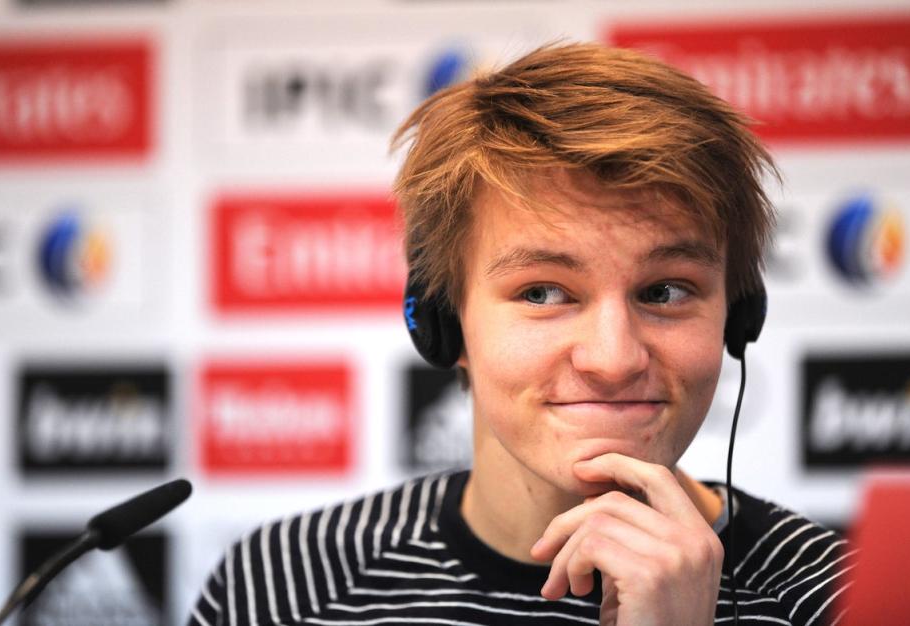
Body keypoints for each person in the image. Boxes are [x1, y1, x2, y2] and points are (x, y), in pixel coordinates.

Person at [188, 43, 853, 626]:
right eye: (542, 293)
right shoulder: (280, 589)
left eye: (664, 292)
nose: (612, 358)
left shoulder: (838, 601)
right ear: (443, 321)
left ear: (736, 318)